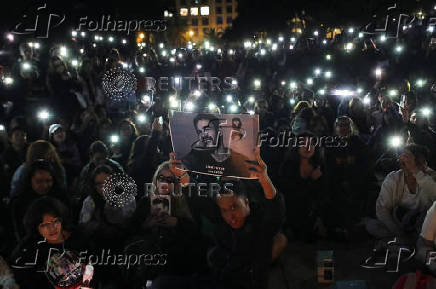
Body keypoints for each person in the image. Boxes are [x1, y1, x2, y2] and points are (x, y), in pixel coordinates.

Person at [11, 197, 90, 289]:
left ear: (61, 220)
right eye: (44, 225)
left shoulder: (78, 238)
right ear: (36, 227)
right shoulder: (29, 250)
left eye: (55, 221)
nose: (52, 228)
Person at [365, 144, 436, 245]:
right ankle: (403, 241)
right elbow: (382, 209)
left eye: (418, 163)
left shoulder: (430, 177)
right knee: (373, 226)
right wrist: (399, 233)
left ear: (425, 164)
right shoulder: (393, 178)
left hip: (423, 224)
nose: (412, 166)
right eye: (407, 162)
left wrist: (416, 172)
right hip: (399, 224)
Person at [11, 160, 70, 241]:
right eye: (39, 181)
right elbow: (19, 232)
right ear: (30, 180)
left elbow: (68, 224)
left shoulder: (61, 197)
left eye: (48, 181)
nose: (45, 185)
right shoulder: (20, 202)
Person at [182, 114, 250, 178]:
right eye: (200, 132)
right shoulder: (191, 160)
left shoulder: (240, 160)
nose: (203, 135)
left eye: (207, 129)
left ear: (219, 130)